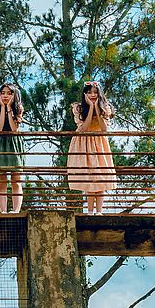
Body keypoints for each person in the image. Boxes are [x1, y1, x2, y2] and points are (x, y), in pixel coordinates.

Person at [66, 81, 116, 214]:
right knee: (88, 176)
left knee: (100, 175)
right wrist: (90, 108)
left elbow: (104, 129)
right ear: (84, 94)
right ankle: (89, 211)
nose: (92, 94)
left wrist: (97, 109)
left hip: (99, 142)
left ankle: (99, 211)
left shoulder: (105, 107)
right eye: (89, 92)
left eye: (95, 92)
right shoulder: (78, 108)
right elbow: (84, 128)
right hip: (84, 142)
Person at [0, 83, 25, 214]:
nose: (5, 95)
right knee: (1, 181)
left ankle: (16, 210)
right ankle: (3, 211)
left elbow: (14, 128)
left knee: (16, 180)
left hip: (14, 143)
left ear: (14, 95)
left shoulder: (18, 108)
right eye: (3, 93)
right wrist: (3, 107)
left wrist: (9, 108)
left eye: (9, 93)